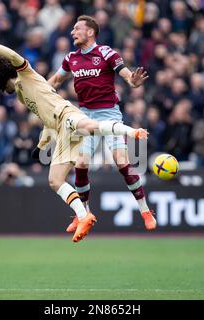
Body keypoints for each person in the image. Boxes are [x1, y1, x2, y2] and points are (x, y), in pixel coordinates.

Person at [0, 33, 148, 243]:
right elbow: (45, 119)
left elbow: (12, 54)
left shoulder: (26, 74)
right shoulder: (20, 93)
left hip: (66, 115)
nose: (0, 90)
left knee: (90, 126)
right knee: (55, 180)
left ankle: (131, 131)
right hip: (60, 129)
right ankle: (84, 215)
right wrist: (41, 145)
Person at [45, 15, 156, 233]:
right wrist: (37, 92)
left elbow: (126, 75)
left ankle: (145, 210)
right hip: (85, 115)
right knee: (81, 163)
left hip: (109, 114)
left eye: (77, 29)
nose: (72, 32)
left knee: (121, 161)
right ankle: (82, 215)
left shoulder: (106, 53)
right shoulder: (71, 58)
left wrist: (132, 80)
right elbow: (56, 81)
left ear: (90, 32)